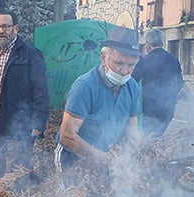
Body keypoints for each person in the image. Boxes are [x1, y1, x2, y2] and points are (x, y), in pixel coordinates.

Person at [0, 11, 50, 178]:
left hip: (18, 121)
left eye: (6, 26)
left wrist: (37, 124)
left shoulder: (30, 54)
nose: (1, 30)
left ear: (16, 28)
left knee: (17, 165)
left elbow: (41, 91)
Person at [54, 25, 142, 170]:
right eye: (119, 63)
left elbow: (132, 129)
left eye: (131, 65)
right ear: (103, 58)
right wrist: (103, 158)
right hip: (72, 158)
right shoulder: (85, 86)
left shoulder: (132, 87)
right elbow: (67, 136)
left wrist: (139, 153)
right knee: (71, 192)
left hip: (106, 155)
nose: (124, 71)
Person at [132, 28, 183, 138]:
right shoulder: (174, 60)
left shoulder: (145, 61)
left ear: (148, 44)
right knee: (156, 137)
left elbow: (132, 81)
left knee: (145, 139)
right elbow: (179, 83)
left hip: (150, 110)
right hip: (168, 110)